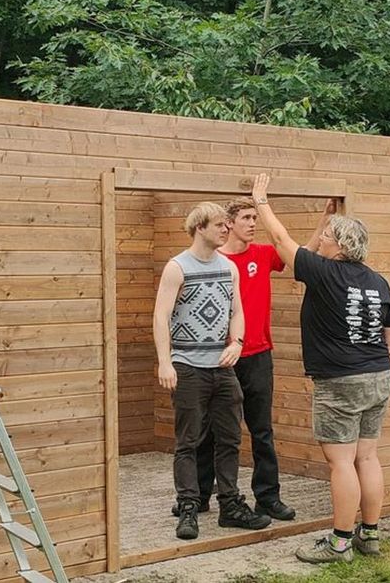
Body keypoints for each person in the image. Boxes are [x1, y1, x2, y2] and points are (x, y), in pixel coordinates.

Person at [249, 174, 390, 563]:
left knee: (341, 462)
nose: (324, 241)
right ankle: (370, 536)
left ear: (340, 246)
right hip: (379, 375)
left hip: (340, 381)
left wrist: (261, 201)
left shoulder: (325, 273)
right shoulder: (378, 280)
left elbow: (283, 242)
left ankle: (339, 543)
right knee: (367, 457)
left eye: (329, 236)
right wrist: (323, 220)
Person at [153, 201, 273, 541]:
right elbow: (160, 315)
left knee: (230, 438)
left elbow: (237, 310)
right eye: (220, 225)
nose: (226, 229)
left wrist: (236, 342)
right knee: (188, 441)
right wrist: (165, 361)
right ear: (200, 228)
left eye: (226, 224)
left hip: (222, 368)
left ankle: (230, 505)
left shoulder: (228, 267)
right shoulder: (177, 268)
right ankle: (189, 505)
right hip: (189, 366)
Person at [179, 197, 296, 521]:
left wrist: (323, 221)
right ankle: (200, 496)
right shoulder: (212, 261)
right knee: (207, 430)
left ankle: (268, 498)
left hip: (257, 354)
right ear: (228, 224)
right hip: (220, 358)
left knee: (261, 430)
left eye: (254, 217)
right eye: (246, 217)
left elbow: (297, 254)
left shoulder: (260, 254)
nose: (252, 223)